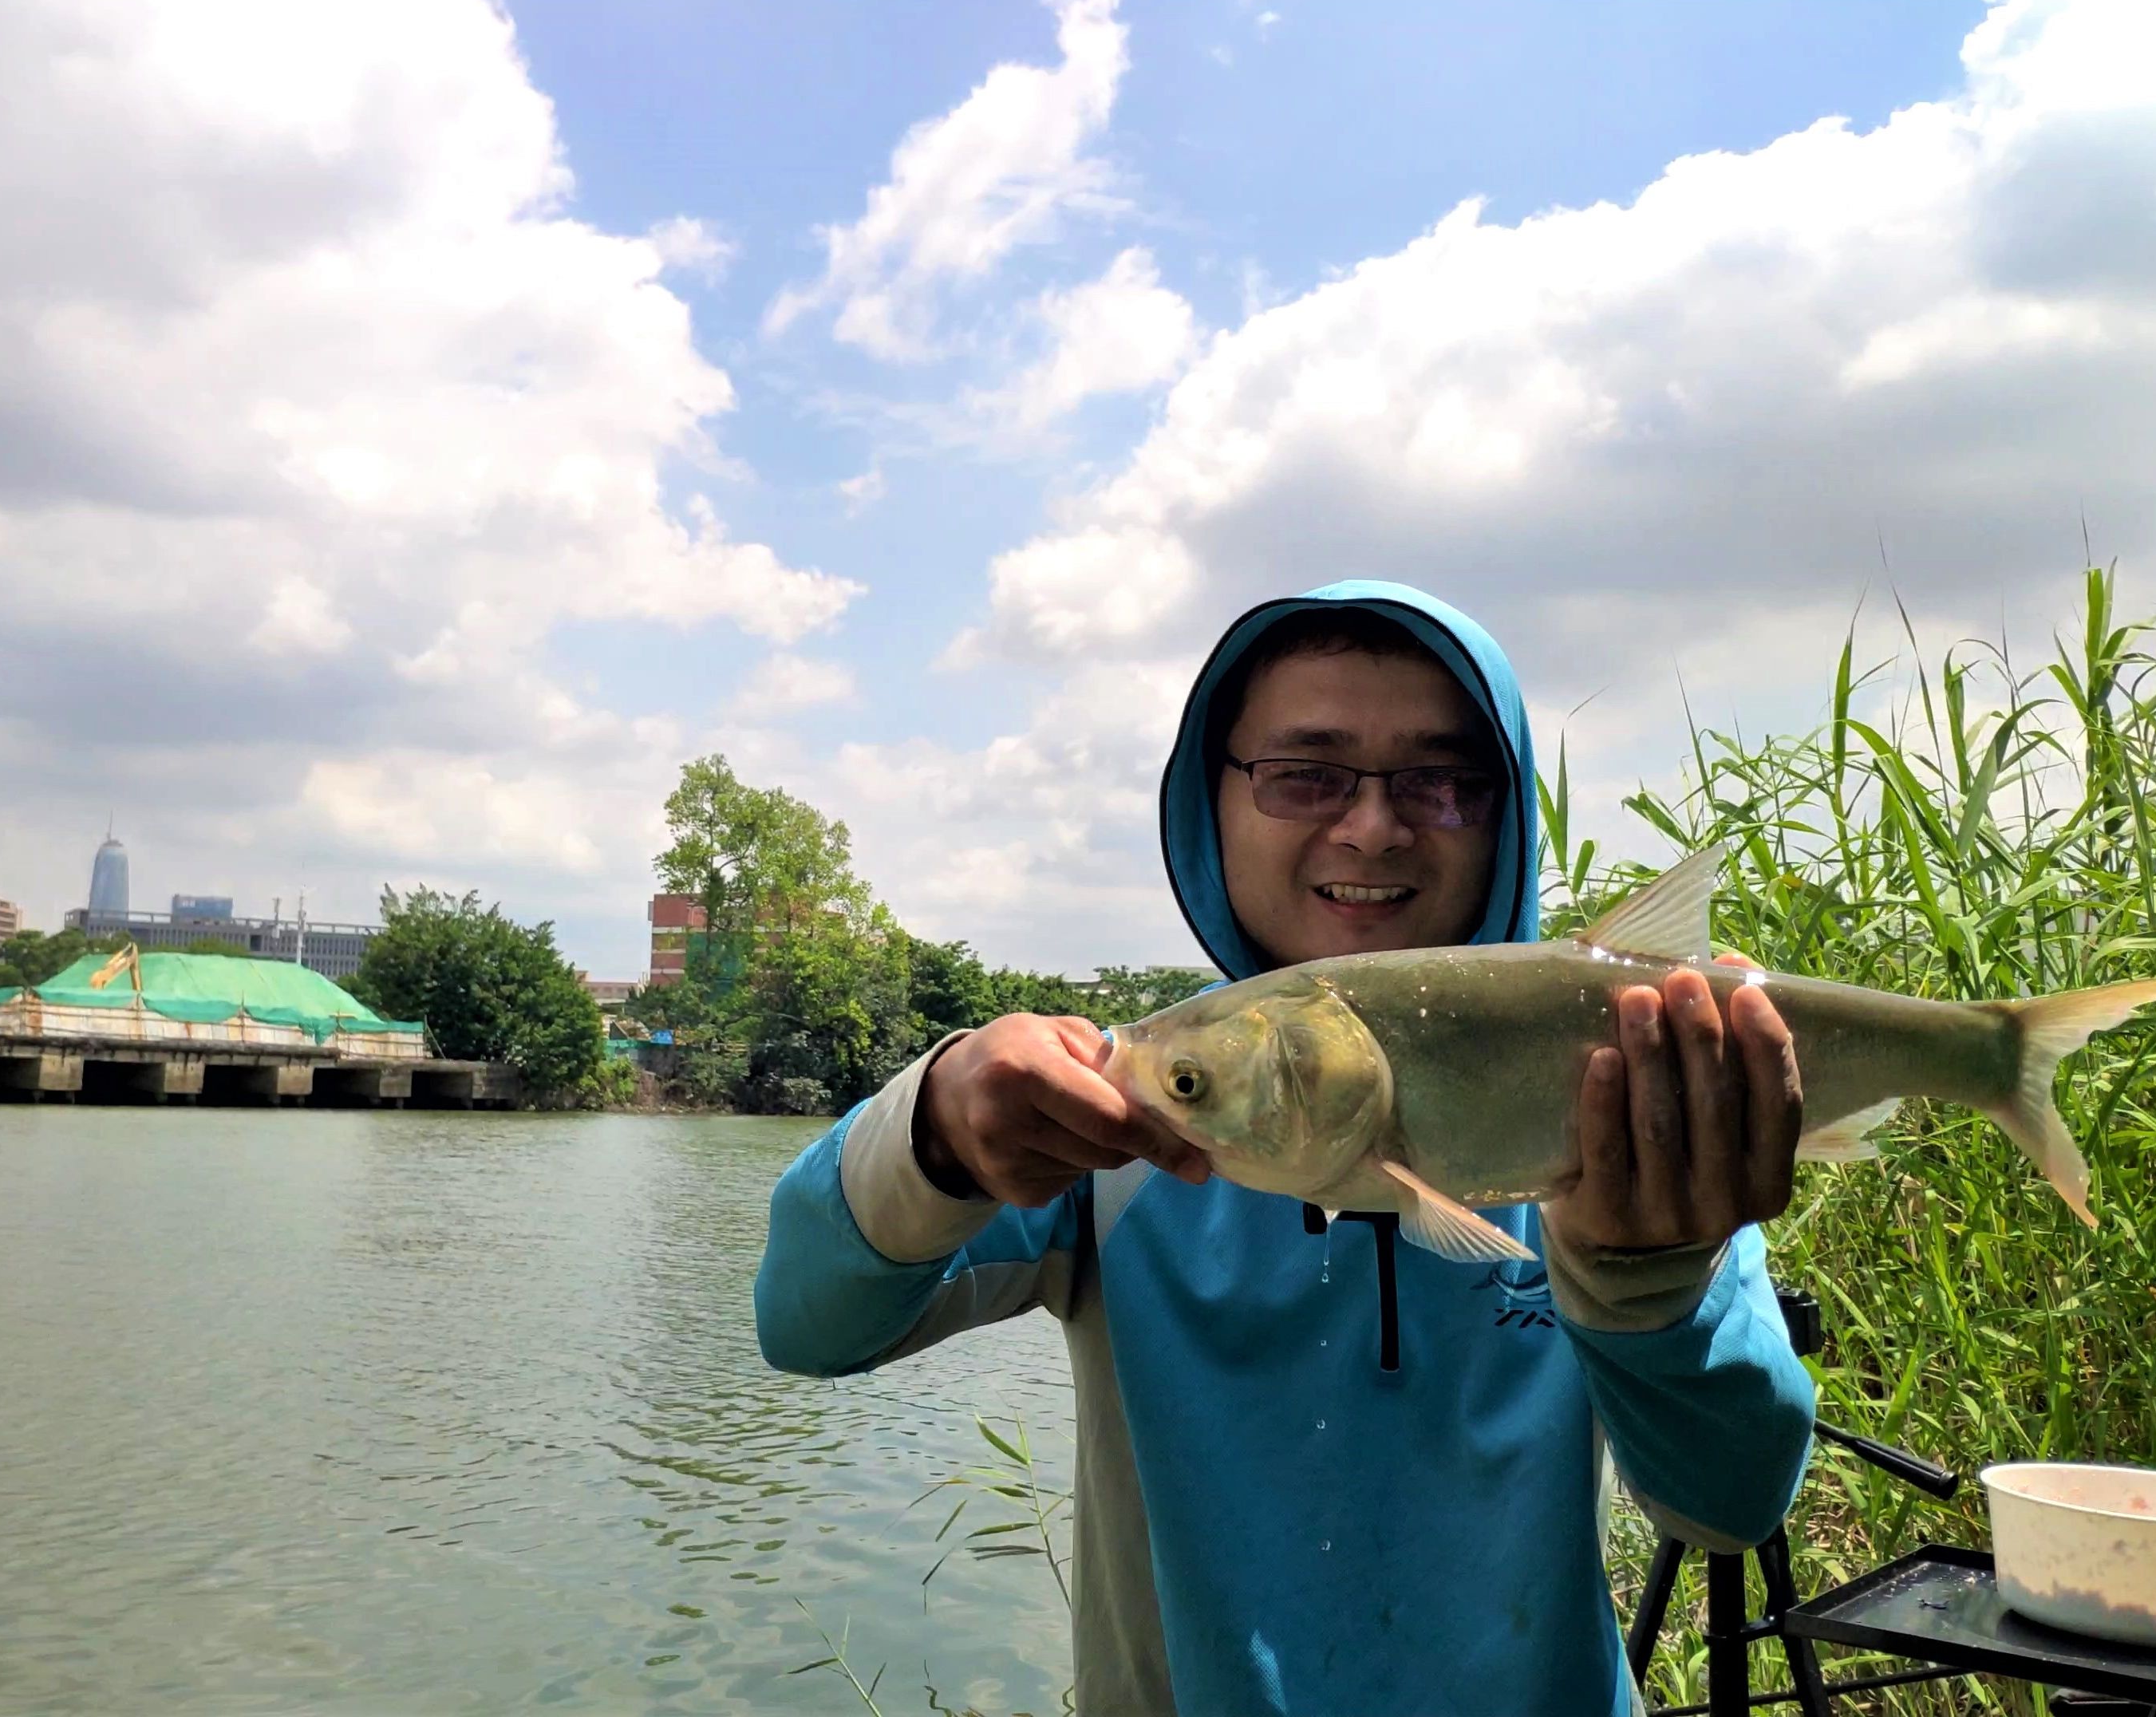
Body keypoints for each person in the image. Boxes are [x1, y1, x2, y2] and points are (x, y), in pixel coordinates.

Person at [754, 580, 1816, 1715]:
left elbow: (1730, 1504)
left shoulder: (1628, 1092)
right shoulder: (1118, 1110)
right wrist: (938, 1129)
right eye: (1305, 774)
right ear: (1210, 806)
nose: (1372, 825)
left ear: (1505, 815)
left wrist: (1643, 1276)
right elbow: (807, 1324)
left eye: (1442, 780)